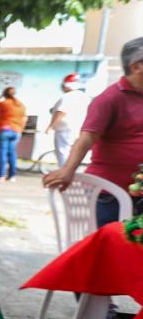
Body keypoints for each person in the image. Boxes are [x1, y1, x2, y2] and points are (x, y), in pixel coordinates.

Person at [44, 37, 143, 226]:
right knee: (110, 241)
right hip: (111, 194)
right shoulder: (109, 99)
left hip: (139, 192)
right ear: (136, 66)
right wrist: (68, 170)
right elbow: (88, 137)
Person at [44, 74, 90, 167]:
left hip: (65, 131)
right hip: (79, 130)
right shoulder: (84, 97)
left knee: (63, 153)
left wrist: (51, 126)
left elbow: (61, 112)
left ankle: (64, 172)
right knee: (73, 154)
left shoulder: (67, 97)